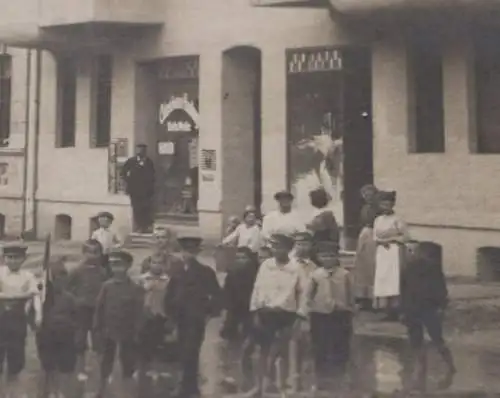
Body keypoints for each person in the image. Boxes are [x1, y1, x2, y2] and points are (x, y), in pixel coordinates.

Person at [247, 234, 306, 398]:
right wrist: (255, 310)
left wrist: (300, 316)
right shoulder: (266, 265)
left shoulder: (296, 268)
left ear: (288, 249)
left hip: (286, 314)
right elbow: (257, 288)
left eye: (279, 247)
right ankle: (259, 387)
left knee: (281, 352)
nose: (276, 250)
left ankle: (282, 388)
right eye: (273, 246)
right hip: (265, 313)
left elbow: (303, 293)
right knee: (262, 352)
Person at [164, 236, 222, 398]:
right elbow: (170, 295)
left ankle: (187, 386)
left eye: (191, 251)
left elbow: (217, 295)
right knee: (182, 351)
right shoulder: (177, 272)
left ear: (197, 252)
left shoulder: (205, 272)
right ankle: (189, 386)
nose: (187, 255)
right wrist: (169, 315)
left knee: (191, 351)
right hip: (179, 318)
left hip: (195, 319)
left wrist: (209, 314)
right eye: (184, 251)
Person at [401, 241, 456, 392]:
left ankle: (450, 365)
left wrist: (441, 307)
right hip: (413, 309)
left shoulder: (433, 269)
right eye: (410, 252)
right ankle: (421, 367)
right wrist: (403, 310)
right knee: (416, 340)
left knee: (437, 338)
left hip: (429, 309)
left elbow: (441, 290)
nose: (412, 254)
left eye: (415, 251)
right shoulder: (408, 269)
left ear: (423, 253)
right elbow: (403, 290)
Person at [94, 249, 144, 398]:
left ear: (128, 266)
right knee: (105, 362)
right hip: (108, 331)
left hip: (127, 332)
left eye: (119, 265)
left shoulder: (135, 288)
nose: (116, 269)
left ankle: (127, 392)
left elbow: (139, 312)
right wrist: (97, 329)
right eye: (112, 265)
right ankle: (102, 391)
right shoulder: (106, 287)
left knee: (128, 363)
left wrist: (137, 331)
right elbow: (99, 309)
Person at [307, 241, 355, 392]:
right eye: (324, 256)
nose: (328, 259)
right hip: (320, 313)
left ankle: (339, 376)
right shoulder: (315, 274)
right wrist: (309, 309)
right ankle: (321, 377)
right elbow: (308, 295)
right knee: (320, 344)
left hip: (340, 313)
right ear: (319, 257)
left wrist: (350, 309)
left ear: (337, 257)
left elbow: (351, 294)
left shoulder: (345, 274)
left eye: (331, 256)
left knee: (340, 343)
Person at [0, 243, 42, 397]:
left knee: (16, 354)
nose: (12, 261)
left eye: (16, 258)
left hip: (17, 320)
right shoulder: (0, 273)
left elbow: (35, 295)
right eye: (9, 257)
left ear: (23, 259)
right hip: (0, 318)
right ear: (4, 258)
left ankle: (12, 388)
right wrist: (19, 296)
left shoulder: (28, 276)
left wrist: (38, 315)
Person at [66, 239, 109, 380]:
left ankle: (102, 371)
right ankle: (80, 369)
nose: (92, 255)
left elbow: (108, 289)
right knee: (80, 339)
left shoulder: (103, 272)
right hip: (81, 310)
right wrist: (76, 300)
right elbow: (67, 289)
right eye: (89, 252)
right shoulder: (77, 270)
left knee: (99, 339)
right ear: (83, 253)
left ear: (101, 254)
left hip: (98, 310)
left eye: (96, 252)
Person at [36, 260, 78, 398]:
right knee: (48, 366)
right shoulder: (42, 299)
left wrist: (71, 328)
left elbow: (75, 316)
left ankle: (62, 392)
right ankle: (48, 392)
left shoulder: (70, 298)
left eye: (62, 279)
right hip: (47, 336)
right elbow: (34, 315)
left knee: (65, 367)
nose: (59, 283)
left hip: (65, 336)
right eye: (55, 279)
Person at [373, 190, 410, 320]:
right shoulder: (378, 220)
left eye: (388, 204)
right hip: (382, 251)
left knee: (394, 279)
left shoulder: (398, 219)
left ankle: (397, 309)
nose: (385, 207)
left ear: (392, 205)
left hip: (394, 251)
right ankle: (386, 309)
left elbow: (405, 237)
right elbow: (375, 236)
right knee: (383, 278)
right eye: (382, 204)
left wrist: (392, 240)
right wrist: (381, 241)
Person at [289, 231, 317, 392]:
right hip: (289, 310)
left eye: (305, 243)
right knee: (288, 346)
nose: (301, 246)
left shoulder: (313, 267)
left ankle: (307, 382)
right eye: (298, 243)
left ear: (311, 245)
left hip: (306, 311)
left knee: (307, 346)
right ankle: (290, 381)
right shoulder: (288, 264)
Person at [137, 253, 173, 378]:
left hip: (160, 313)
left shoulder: (168, 280)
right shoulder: (142, 279)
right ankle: (141, 369)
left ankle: (156, 368)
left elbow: (170, 299)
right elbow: (137, 297)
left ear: (164, 265)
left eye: (160, 263)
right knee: (143, 342)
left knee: (158, 342)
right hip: (145, 313)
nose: (157, 266)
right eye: (154, 262)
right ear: (149, 264)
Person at [220, 247, 259, 341]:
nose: (240, 261)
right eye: (238, 258)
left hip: (250, 307)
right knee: (229, 332)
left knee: (250, 333)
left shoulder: (256, 273)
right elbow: (227, 290)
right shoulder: (232, 272)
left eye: (243, 258)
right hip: (234, 307)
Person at [354, 184, 380, 310]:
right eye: (365, 195)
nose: (367, 197)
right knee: (361, 265)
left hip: (373, 235)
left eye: (370, 195)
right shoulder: (364, 208)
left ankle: (373, 298)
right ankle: (363, 297)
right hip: (364, 234)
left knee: (371, 266)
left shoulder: (378, 208)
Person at [122, 143, 156, 233]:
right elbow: (123, 172)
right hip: (134, 191)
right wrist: (128, 181)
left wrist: (151, 188)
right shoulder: (131, 161)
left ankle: (146, 226)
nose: (140, 152)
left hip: (146, 191)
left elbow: (153, 175)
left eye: (143, 150)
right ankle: (140, 227)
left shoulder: (149, 162)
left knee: (146, 209)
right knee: (137, 209)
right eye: (139, 150)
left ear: (145, 152)